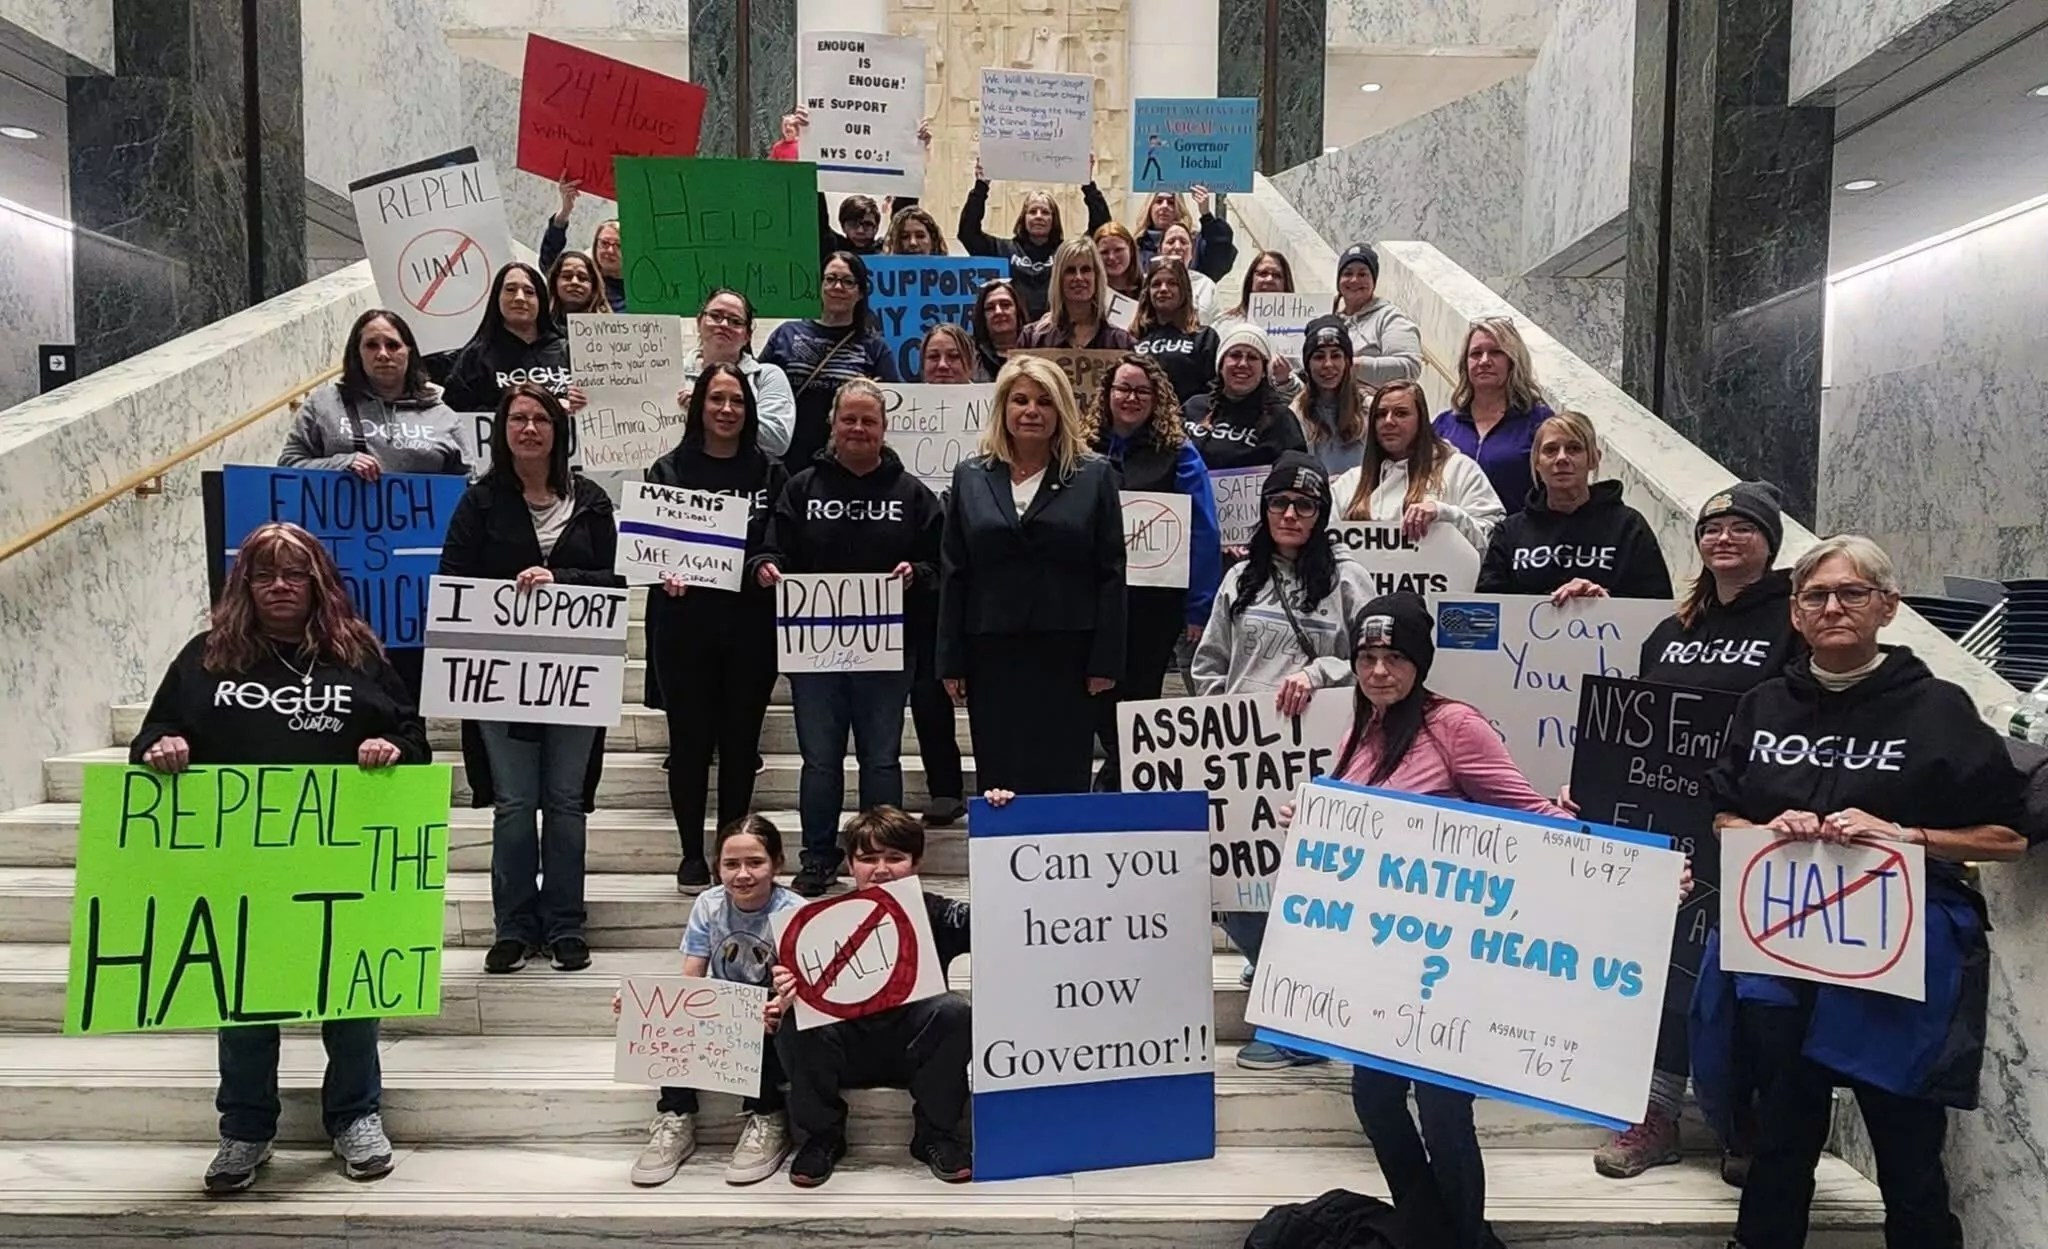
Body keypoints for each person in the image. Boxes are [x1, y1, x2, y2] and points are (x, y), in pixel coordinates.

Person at [1697, 534, 2028, 1249]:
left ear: (1888, 606)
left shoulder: (1938, 709)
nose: (1833, 607)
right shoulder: (1762, 705)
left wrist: (1910, 835)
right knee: (1779, 1140)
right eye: (1815, 595)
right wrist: (1761, 823)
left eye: (1852, 593)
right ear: (1794, 612)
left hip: (1896, 974)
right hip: (1783, 963)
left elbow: (2011, 836)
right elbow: (1721, 812)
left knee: (1908, 1149)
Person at [131, 521, 427, 1193]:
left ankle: (355, 1117)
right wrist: (162, 744)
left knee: (350, 998)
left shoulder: (358, 655)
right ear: (244, 584)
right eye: (265, 574)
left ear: (318, 581)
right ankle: (244, 1129)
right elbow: (153, 729)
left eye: (295, 573)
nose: (281, 586)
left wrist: (392, 750)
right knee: (242, 1004)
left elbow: (412, 734)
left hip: (340, 860)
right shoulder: (207, 657)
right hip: (240, 865)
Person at [1292, 592, 1576, 1249]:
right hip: (1383, 960)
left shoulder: (1455, 725)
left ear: (1420, 661)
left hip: (1449, 963)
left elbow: (1526, 809)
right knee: (1375, 1098)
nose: (1380, 670)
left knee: (1445, 1109)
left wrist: (1602, 844)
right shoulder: (1359, 729)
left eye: (1394, 657)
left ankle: (1465, 1238)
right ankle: (1433, 1230)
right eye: (1367, 656)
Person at [1586, 481, 1799, 1185]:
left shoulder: (1795, 625)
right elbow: (1631, 725)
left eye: (1743, 526)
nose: (1726, 538)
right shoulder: (1671, 629)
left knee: (1750, 987)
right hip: (1667, 829)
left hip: (1757, 830)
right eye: (1713, 527)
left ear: (1770, 541)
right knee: (1666, 972)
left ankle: (1745, 1120)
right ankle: (1657, 1114)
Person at [1192, 452, 1373, 1068]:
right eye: (1279, 504)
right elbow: (1207, 663)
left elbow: (1378, 661)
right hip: (1240, 757)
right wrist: (1222, 716)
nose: (1291, 514)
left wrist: (1319, 671)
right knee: (1227, 881)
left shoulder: (1349, 577)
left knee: (1303, 880)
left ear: (1321, 514)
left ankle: (1296, 1023)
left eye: (1304, 505)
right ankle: (1273, 967)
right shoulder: (1237, 579)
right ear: (1265, 510)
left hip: (1318, 753)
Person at [439, 383, 622, 974]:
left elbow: (612, 581)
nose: (528, 428)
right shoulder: (480, 502)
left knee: (566, 802)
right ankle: (514, 927)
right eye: (517, 418)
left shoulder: (592, 500)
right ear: (502, 429)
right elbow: (452, 578)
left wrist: (558, 577)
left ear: (557, 430)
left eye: (539, 418)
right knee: (515, 803)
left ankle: (566, 923)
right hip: (500, 677)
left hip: (576, 673)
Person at [758, 378, 943, 896]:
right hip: (813, 654)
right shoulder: (801, 487)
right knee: (819, 760)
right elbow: (773, 548)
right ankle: (818, 856)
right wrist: (768, 567)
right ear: (832, 424)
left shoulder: (913, 495)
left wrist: (918, 575)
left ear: (884, 429)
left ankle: (879, 856)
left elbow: (942, 563)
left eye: (869, 420)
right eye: (849, 419)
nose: (858, 428)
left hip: (886, 653)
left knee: (881, 759)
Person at [939, 354, 1126, 795]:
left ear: (1061, 409)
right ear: (1003, 408)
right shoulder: (970, 476)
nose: (1031, 411)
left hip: (1068, 652)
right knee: (1000, 775)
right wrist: (950, 659)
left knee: (1061, 772)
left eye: (1044, 401)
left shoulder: (1094, 475)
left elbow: (1111, 571)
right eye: (1020, 400)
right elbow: (954, 571)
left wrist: (1106, 659)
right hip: (991, 651)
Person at [772, 806, 973, 1186]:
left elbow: (1001, 918)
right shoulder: (816, 923)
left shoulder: (937, 911)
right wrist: (783, 994)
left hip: (916, 1050)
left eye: (895, 858)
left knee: (954, 1011)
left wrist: (1007, 820)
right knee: (793, 1016)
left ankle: (935, 1133)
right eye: (867, 859)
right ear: (849, 865)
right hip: (844, 1050)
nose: (881, 869)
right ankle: (823, 1135)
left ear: (916, 863)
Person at [644, 364, 788, 890]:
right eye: (717, 400)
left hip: (751, 626)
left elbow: (777, 539)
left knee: (740, 742)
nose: (727, 410)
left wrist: (767, 562)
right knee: (689, 743)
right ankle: (690, 854)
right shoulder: (668, 469)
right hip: (683, 626)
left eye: (737, 401)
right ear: (698, 406)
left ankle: (733, 850)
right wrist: (663, 571)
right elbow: (652, 545)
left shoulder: (771, 473)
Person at [622, 815, 801, 1187]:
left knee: (769, 1021)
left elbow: (800, 985)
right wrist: (647, 1008)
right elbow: (692, 977)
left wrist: (778, 1006)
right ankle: (676, 1116)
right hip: (723, 1007)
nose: (742, 874)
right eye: (730, 864)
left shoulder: (794, 910)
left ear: (777, 864)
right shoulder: (708, 903)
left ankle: (767, 1115)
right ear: (717, 866)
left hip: (775, 1011)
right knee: (674, 1016)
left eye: (755, 862)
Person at [1087, 353, 1222, 788]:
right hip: (1089, 601)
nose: (1130, 398)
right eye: (1122, 389)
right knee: (1095, 695)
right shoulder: (1078, 448)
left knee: (1139, 695)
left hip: (1153, 605)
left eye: (1141, 391)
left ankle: (1120, 780)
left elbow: (1203, 530)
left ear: (1157, 398)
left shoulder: (1180, 454)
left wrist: (1199, 608)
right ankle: (1118, 769)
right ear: (1106, 394)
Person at [1476, 410, 1671, 601]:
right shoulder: (1510, 532)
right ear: (1536, 462)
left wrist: (1604, 601)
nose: (1561, 458)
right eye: (1550, 450)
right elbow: (1488, 607)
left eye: (1574, 449)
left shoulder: (1629, 527)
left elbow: (1658, 604)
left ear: (1594, 459)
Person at [907, 325, 976, 824]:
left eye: (954, 356)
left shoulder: (993, 417)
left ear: (970, 365)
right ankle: (945, 787)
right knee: (928, 692)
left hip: (985, 581)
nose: (944, 366)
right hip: (926, 584)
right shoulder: (901, 418)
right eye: (934, 357)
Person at [280, 308, 469, 477]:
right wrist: (339, 463)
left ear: (409, 352)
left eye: (393, 345)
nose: (383, 354)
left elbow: (468, 481)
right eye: (371, 345)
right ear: (357, 353)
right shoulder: (322, 405)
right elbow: (288, 466)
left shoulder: (444, 416)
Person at [762, 251, 899, 469]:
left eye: (848, 282)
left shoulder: (875, 348)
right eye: (831, 279)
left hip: (848, 464)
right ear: (820, 284)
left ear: (861, 292)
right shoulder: (785, 334)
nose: (838, 287)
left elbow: (893, 404)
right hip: (786, 462)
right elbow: (757, 390)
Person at [1333, 379, 1504, 554]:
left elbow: (1494, 540)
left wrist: (1446, 514)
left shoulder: (1459, 470)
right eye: (1380, 414)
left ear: (1422, 421)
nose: (1388, 421)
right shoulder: (1350, 483)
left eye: (1401, 413)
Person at [957, 160, 1113, 322]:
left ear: (1054, 219)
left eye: (1045, 212)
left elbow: (1101, 231)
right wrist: (981, 186)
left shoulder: (1066, 253)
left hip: (1057, 331)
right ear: (1023, 218)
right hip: (1014, 334)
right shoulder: (1002, 250)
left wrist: (1087, 184)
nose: (1039, 216)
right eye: (1033, 211)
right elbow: (968, 233)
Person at [1433, 317, 1553, 518]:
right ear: (1465, 364)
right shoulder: (1443, 425)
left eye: (1496, 352)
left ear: (1513, 361)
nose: (1484, 361)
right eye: (1476, 353)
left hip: (1516, 543)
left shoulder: (1539, 422)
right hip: (1455, 542)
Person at [436, 263, 586, 419]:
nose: (520, 298)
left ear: (541, 300)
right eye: (510, 290)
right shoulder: (475, 357)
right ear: (497, 298)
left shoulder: (570, 350)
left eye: (529, 292)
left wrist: (585, 403)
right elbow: (453, 414)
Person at [675, 288, 796, 459]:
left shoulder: (767, 376)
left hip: (747, 482)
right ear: (699, 322)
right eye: (715, 316)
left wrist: (703, 409)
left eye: (735, 321)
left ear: (747, 335)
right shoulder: (671, 374)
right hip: (677, 481)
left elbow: (777, 441)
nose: (724, 324)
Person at [1182, 324, 1308, 473]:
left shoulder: (1280, 419)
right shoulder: (1193, 407)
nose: (1242, 364)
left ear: (1263, 371)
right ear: (1221, 365)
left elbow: (1295, 473)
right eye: (1235, 355)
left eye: (1252, 357)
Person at [1014, 237, 1136, 352]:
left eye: (1086, 270)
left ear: (1096, 276)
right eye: (1070, 271)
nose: (1078, 277)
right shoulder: (1032, 339)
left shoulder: (1121, 341)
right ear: (1058, 278)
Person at [1332, 243, 1422, 393]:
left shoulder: (1390, 318)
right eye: (1347, 273)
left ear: (1374, 281)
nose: (1354, 280)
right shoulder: (1330, 320)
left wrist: (1355, 366)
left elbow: (1410, 367)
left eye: (1362, 274)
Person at [1290, 314, 1370, 479]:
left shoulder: (1369, 409)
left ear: (1347, 362)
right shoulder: (1296, 415)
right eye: (1319, 357)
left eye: (1335, 355)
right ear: (1308, 365)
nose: (1328, 364)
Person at [1132, 258, 1219, 405]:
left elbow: (1214, 388)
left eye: (1172, 283)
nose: (1163, 289)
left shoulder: (1204, 337)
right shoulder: (1134, 337)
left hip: (1186, 421)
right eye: (1156, 284)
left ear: (1184, 290)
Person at [539, 180, 625, 310]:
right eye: (605, 243)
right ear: (596, 244)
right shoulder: (583, 279)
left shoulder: (639, 290)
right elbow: (549, 262)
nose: (610, 250)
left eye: (618, 245)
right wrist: (565, 211)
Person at [1132, 187, 1237, 281]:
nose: (1164, 206)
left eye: (1171, 202)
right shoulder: (1136, 247)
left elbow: (1221, 255)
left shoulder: (1195, 244)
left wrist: (1206, 215)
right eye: (1159, 201)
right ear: (1150, 208)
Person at [1157, 222, 1219, 323]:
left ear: (1192, 252)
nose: (1177, 247)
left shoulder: (1206, 285)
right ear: (1159, 250)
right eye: (1171, 241)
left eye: (1183, 242)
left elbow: (1217, 325)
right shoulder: (1146, 283)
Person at [1218, 249, 1297, 325]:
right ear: (1251, 279)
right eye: (1263, 273)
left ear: (1286, 283)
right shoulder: (1226, 323)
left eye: (1277, 275)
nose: (1269, 279)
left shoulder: (1300, 326)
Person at [968, 277, 1024, 381]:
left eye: (1005, 305)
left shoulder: (1036, 350)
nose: (998, 312)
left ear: (1018, 311)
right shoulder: (970, 358)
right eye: (990, 308)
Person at [545, 250, 604, 323]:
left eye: (583, 278)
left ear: (594, 287)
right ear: (554, 283)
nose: (575, 282)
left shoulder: (609, 326)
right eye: (567, 276)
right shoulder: (538, 323)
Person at [1094, 221, 1144, 299]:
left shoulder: (1148, 288)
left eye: (1118, 250)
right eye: (1104, 252)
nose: (1111, 257)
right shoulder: (1092, 292)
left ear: (1131, 250)